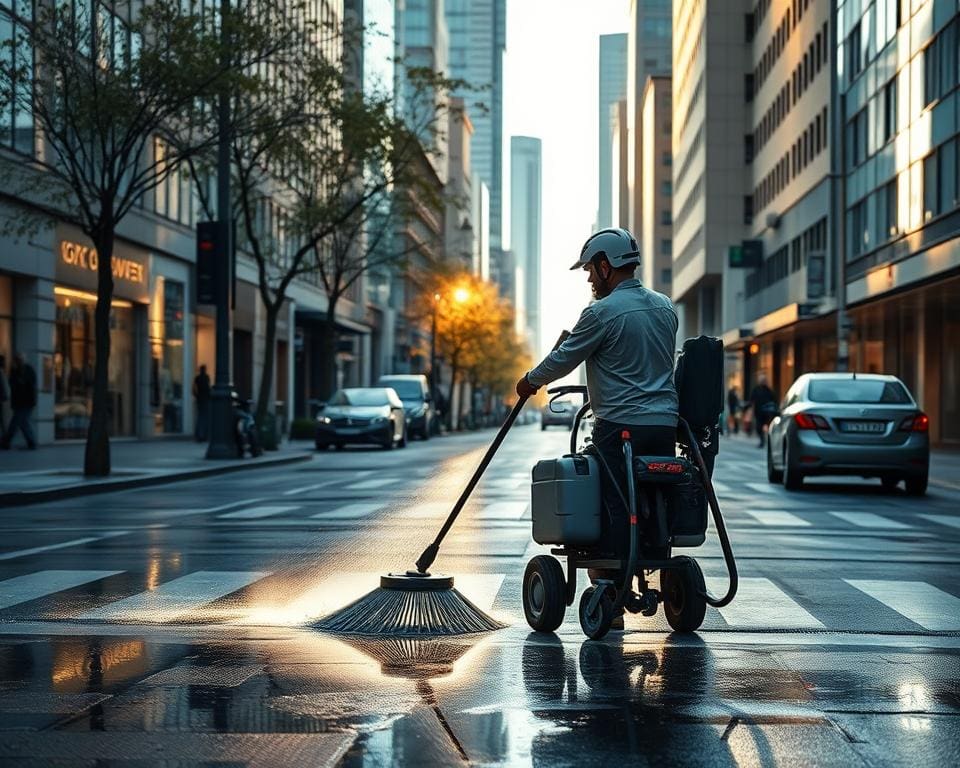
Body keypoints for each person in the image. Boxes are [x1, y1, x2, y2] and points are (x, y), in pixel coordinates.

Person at [516, 228, 679, 624]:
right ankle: (659, 557)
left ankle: (607, 579)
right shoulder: (665, 308)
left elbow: (566, 357)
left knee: (604, 500)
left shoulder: (601, 313)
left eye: (591, 270)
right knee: (651, 490)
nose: (590, 278)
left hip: (618, 427)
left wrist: (531, 381)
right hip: (664, 427)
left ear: (606, 266)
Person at [1, 352, 37, 450]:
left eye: (20, 359)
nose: (18, 361)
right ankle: (31, 442)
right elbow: (12, 384)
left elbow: (31, 384)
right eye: (17, 359)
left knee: (16, 422)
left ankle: (6, 441)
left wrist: (21, 383)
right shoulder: (14, 371)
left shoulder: (29, 370)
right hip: (19, 402)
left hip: (27, 401)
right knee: (22, 423)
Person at [748, 373, 778, 448]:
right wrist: (750, 410)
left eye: (764, 380)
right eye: (761, 380)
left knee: (768, 426)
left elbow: (774, 400)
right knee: (759, 427)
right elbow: (752, 400)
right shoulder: (756, 389)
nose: (763, 381)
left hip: (767, 412)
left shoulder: (768, 390)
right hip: (758, 412)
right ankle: (762, 440)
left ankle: (767, 439)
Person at [193, 364, 211, 442]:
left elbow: (193, 389)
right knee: (204, 418)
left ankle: (200, 435)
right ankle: (203, 435)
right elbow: (208, 388)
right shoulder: (206, 377)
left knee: (200, 417)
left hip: (200, 399)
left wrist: (196, 396)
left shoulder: (197, 378)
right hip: (205, 399)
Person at [0, 354, 9, 435]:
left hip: (2, 399)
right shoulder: (1, 372)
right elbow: (3, 386)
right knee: (3, 420)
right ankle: (5, 439)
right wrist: (5, 397)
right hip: (1, 399)